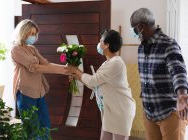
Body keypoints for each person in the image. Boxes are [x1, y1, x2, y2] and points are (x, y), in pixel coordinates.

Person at [66, 29, 136, 140]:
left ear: (107, 45)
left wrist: (75, 70)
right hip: (110, 111)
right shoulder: (107, 63)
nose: (99, 44)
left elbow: (92, 81)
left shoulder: (116, 63)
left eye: (101, 41)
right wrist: (76, 76)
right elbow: (95, 85)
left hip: (120, 111)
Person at [130, 8, 188, 140]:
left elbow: (178, 71)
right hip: (149, 113)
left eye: (133, 28)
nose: (133, 31)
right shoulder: (141, 48)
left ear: (141, 26)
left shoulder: (168, 44)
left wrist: (182, 96)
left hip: (169, 113)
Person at [11, 19, 68, 139]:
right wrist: (61, 71)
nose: (33, 36)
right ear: (23, 32)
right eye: (31, 33)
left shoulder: (31, 48)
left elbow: (45, 64)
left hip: (39, 92)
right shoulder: (16, 49)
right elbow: (35, 68)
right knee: (32, 129)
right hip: (25, 93)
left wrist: (66, 69)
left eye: (35, 34)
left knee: (45, 125)